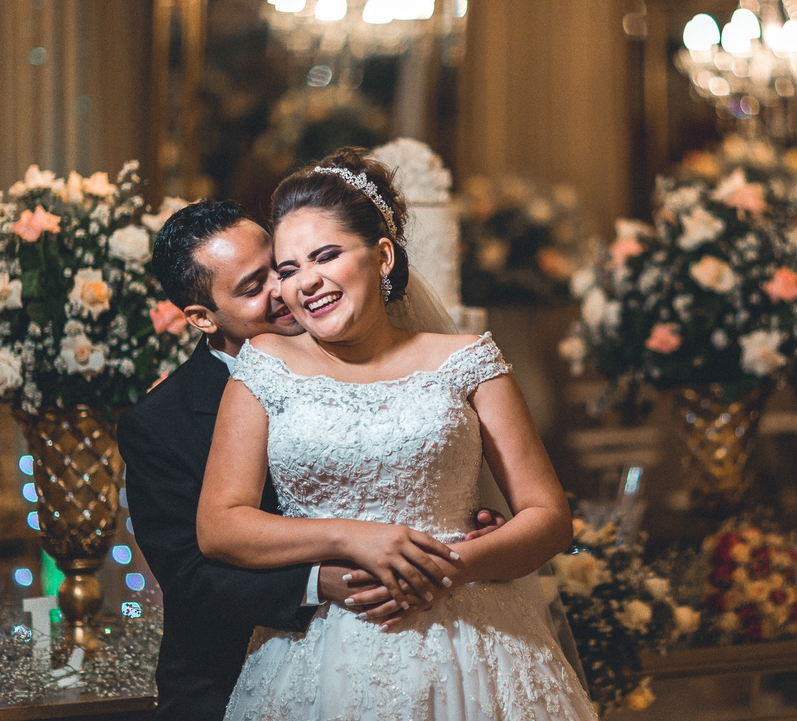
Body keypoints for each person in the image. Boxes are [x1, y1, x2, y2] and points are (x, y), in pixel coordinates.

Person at [196, 148, 597, 720]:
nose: (307, 282)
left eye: (326, 256)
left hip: (474, 642)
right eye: (288, 270)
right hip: (319, 656)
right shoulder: (265, 365)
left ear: (382, 256)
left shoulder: (467, 361)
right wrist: (352, 538)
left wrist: (449, 566)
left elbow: (549, 516)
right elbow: (220, 525)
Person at [117, 201, 505, 721]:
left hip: (415, 640)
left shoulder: (363, 352)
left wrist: (461, 526)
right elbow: (188, 575)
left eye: (279, 267)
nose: (286, 291)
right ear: (202, 318)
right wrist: (318, 579)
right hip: (234, 677)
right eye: (254, 288)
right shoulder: (161, 420)